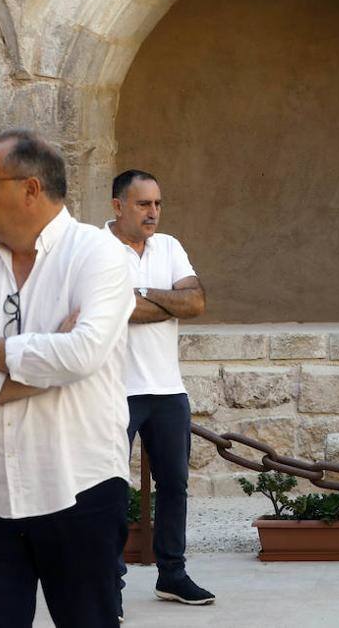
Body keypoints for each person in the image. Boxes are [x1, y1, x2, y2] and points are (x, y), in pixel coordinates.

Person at [0, 129, 133, 627]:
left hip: (78, 485)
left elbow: (82, 352)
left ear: (31, 188)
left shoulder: (98, 255)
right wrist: (39, 375)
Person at [107, 169, 213, 606]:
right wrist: (165, 302)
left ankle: (172, 574)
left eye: (157, 204)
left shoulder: (168, 246)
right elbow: (112, 309)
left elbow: (196, 302)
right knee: (108, 489)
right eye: (142, 204)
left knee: (174, 485)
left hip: (168, 389)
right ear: (117, 205)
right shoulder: (94, 247)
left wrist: (142, 294)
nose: (153, 213)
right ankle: (106, 584)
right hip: (113, 389)